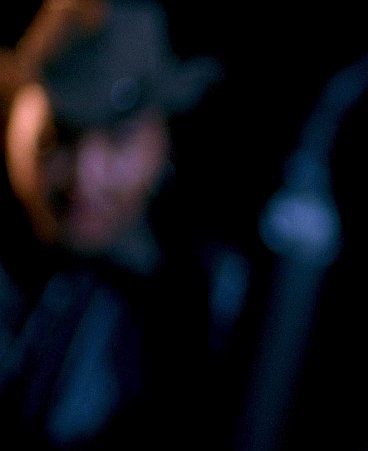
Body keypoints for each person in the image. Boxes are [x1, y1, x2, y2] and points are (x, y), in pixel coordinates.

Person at [0, 0, 252, 449]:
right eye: (59, 136)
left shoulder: (202, 298)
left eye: (119, 140)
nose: (84, 177)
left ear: (163, 138)